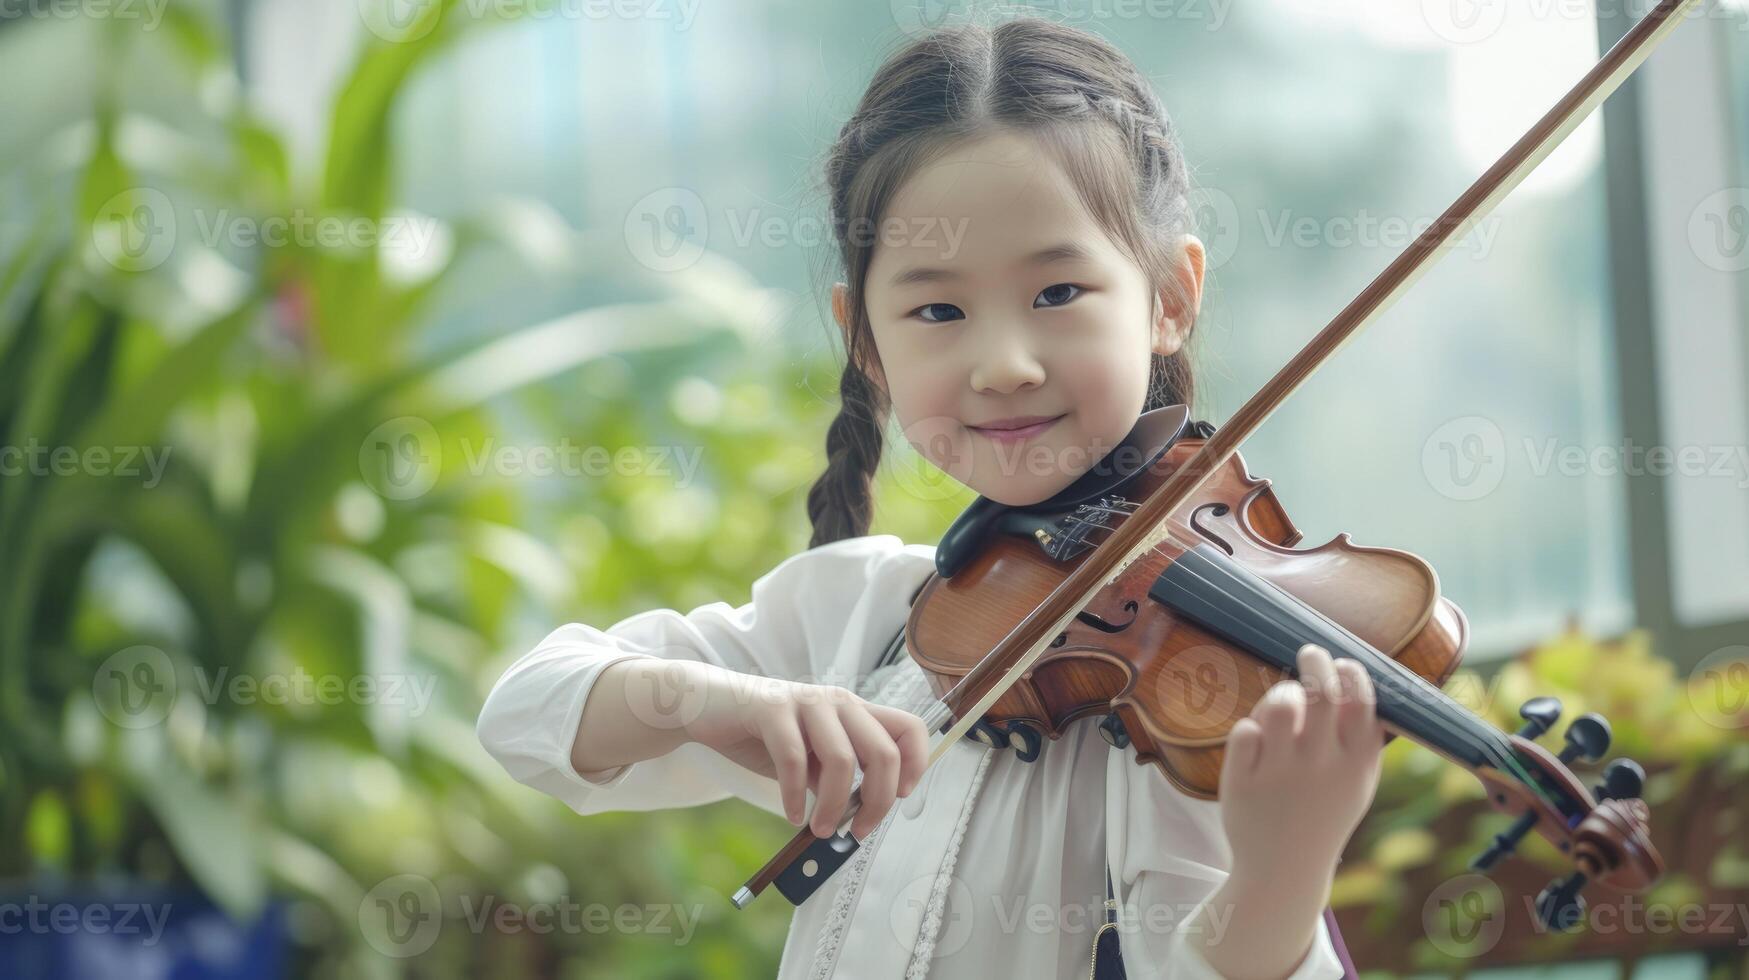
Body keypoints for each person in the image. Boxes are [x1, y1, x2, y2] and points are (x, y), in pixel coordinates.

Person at [478, 17, 1383, 979]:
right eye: (937, 311)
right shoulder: (860, 613)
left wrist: (1282, 872)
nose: (1002, 365)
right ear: (865, 340)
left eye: (1058, 292)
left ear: (1168, 296)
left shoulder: (1191, 696)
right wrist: (711, 702)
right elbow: (526, 715)